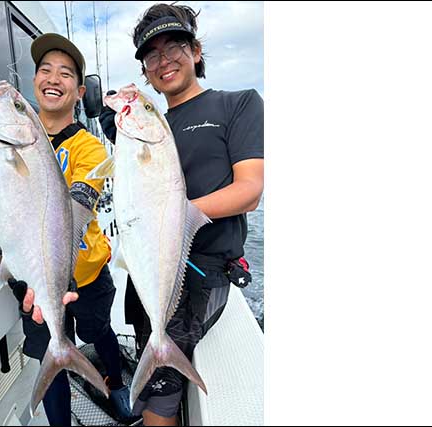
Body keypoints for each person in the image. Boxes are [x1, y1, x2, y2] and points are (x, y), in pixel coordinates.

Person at [0, 33, 135, 426]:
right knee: (47, 351)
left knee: (99, 329)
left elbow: (80, 204)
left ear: (79, 91)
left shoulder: (90, 146)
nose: (53, 78)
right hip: (33, 277)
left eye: (66, 73)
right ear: (35, 79)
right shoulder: (6, 135)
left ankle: (114, 382)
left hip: (86, 272)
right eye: (44, 69)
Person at [106, 4, 264, 426]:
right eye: (151, 55)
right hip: (148, 266)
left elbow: (249, 190)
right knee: (152, 364)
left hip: (203, 270)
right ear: (145, 71)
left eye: (174, 45)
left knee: (161, 395)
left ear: (196, 51)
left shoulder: (238, 104)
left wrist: (179, 214)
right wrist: (118, 132)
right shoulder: (147, 124)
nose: (164, 60)